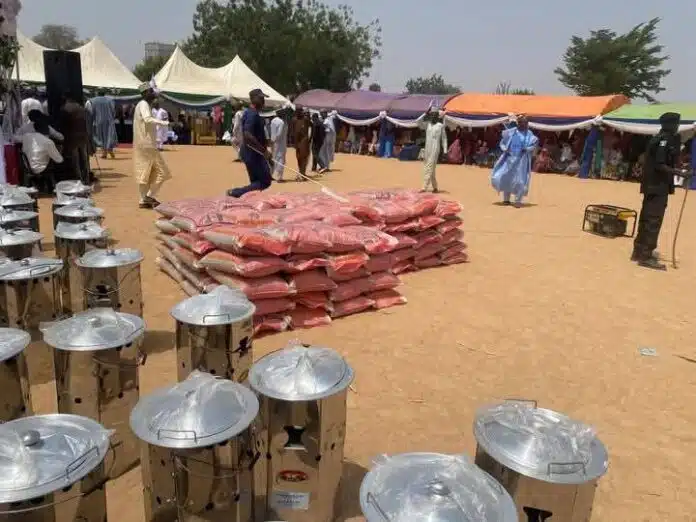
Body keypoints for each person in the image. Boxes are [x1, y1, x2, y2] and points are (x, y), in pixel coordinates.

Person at [631, 112, 691, 270]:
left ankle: (638, 250)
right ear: (669, 124)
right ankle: (646, 255)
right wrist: (680, 173)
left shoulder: (657, 138)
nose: (677, 126)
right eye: (676, 123)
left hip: (651, 185)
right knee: (653, 220)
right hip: (658, 186)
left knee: (646, 218)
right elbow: (660, 165)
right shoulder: (664, 141)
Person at [227, 89, 273, 198]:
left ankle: (250, 199)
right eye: (261, 98)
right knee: (265, 181)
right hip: (253, 153)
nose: (263, 101)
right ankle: (236, 192)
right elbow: (247, 135)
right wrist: (263, 151)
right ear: (253, 99)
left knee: (256, 181)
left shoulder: (251, 113)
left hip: (251, 153)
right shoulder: (252, 114)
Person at [133, 83, 171, 209]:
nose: (153, 93)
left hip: (144, 144)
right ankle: (148, 197)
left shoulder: (142, 105)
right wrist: (165, 123)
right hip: (147, 144)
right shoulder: (143, 104)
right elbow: (148, 119)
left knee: (145, 172)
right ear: (144, 94)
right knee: (162, 172)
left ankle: (144, 199)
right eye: (150, 91)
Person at [491, 115, 539, 207]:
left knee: (520, 180)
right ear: (518, 123)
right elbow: (503, 143)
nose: (524, 125)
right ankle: (506, 200)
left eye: (526, 123)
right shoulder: (511, 133)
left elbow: (533, 145)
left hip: (522, 161)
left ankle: (518, 200)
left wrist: (527, 149)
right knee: (507, 177)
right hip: (509, 159)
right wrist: (506, 149)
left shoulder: (529, 135)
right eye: (522, 123)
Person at [21, 118, 64, 190]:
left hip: (27, 166)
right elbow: (59, 160)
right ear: (47, 130)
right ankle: (51, 187)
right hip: (42, 168)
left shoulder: (26, 136)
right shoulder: (48, 142)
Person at [59, 94, 91, 184]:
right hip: (83, 136)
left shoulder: (64, 109)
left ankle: (79, 179)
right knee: (84, 158)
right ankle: (87, 178)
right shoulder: (81, 108)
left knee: (75, 159)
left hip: (72, 137)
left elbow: (63, 125)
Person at [420, 109, 448, 193]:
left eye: (434, 115)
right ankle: (435, 187)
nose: (432, 117)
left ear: (437, 117)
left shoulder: (440, 126)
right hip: (427, 147)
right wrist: (425, 113)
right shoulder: (428, 125)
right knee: (429, 167)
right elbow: (418, 122)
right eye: (431, 115)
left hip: (435, 148)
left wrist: (445, 150)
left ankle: (424, 187)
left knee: (429, 167)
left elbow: (444, 139)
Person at [89, 90, 118, 159]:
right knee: (109, 136)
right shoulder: (110, 100)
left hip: (99, 120)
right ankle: (110, 151)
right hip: (109, 120)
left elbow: (91, 111)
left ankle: (104, 152)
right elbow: (113, 110)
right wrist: (112, 117)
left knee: (101, 137)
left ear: (98, 93)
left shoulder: (93, 100)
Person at [270, 104, 292, 181]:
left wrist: (272, 141)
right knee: (280, 159)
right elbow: (279, 134)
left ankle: (270, 174)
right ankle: (279, 177)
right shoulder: (282, 122)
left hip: (273, 142)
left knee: (273, 158)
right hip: (280, 143)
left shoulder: (273, 120)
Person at [293, 108, 311, 181]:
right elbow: (293, 131)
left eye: (300, 111)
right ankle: (301, 172)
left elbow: (312, 127)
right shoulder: (294, 120)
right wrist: (294, 142)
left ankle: (302, 174)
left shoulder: (306, 119)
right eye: (298, 112)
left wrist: (309, 139)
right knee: (298, 158)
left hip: (304, 141)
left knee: (304, 158)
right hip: (297, 141)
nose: (300, 113)